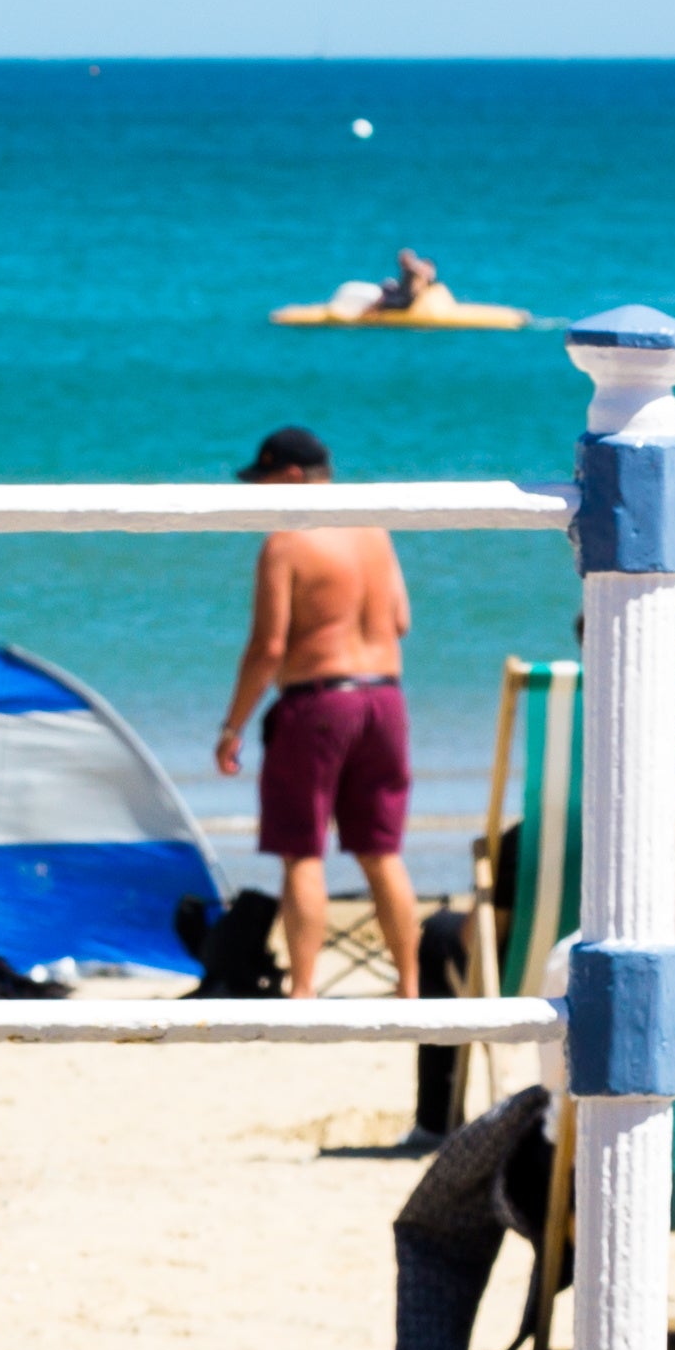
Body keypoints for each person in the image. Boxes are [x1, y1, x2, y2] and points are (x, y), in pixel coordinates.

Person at [211, 425, 419, 1001]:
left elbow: (268, 648)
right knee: (382, 852)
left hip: (319, 704)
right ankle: (410, 988)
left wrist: (233, 727)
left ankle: (304, 992)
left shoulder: (286, 543)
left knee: (302, 852)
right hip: (385, 698)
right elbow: (400, 620)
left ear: (294, 477)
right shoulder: (374, 531)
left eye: (265, 480)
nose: (261, 495)